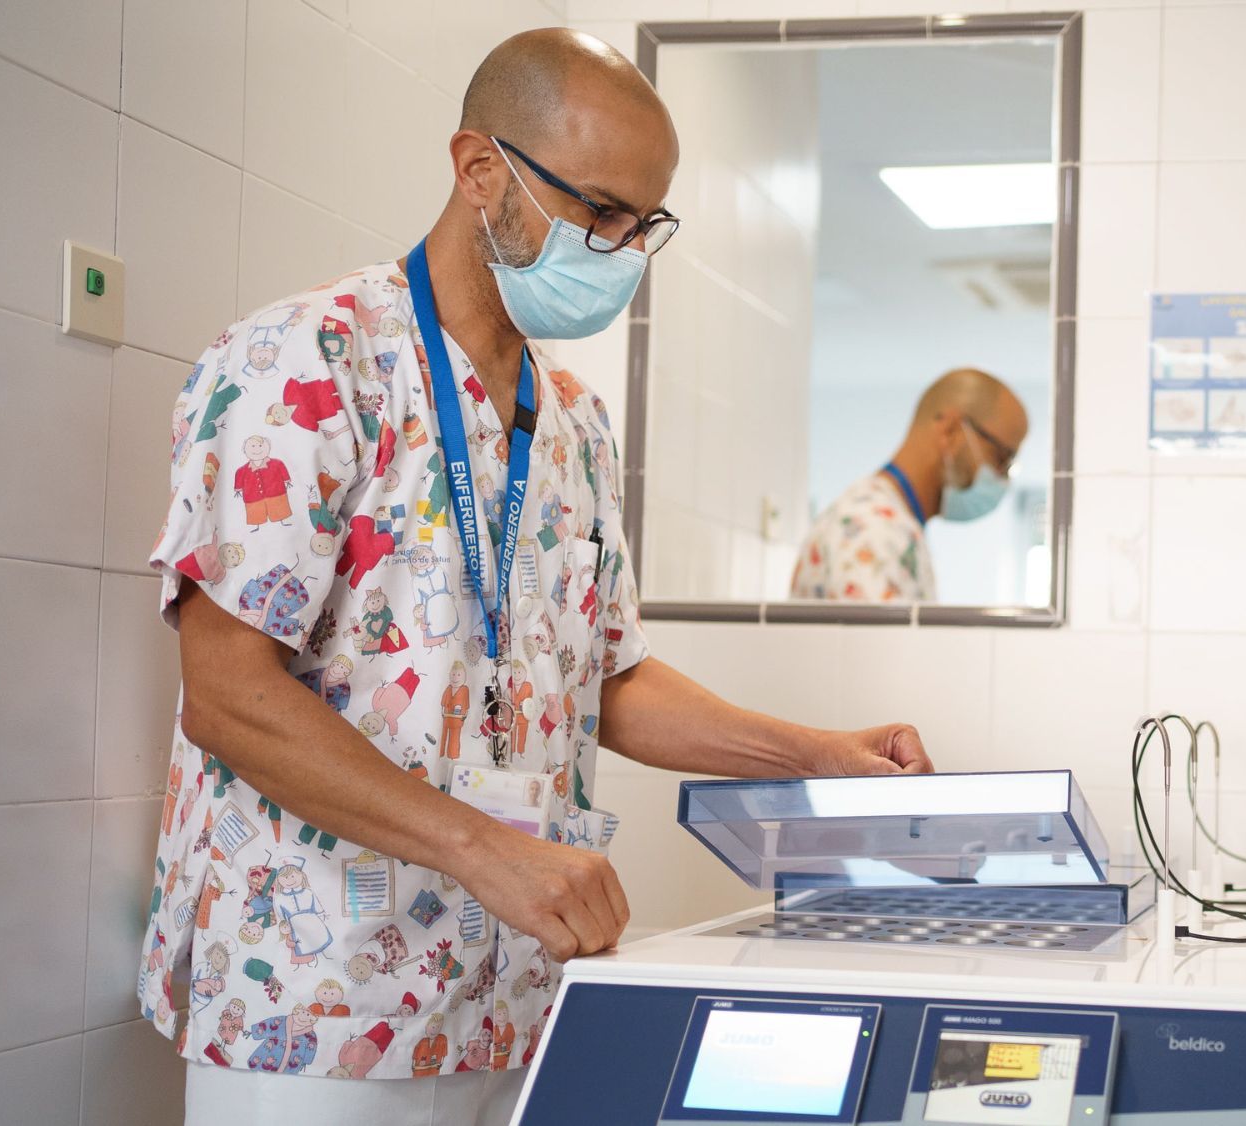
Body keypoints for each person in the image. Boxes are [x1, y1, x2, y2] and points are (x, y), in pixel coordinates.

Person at [143, 28, 932, 1125]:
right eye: (599, 212)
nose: (621, 251)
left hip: (516, 992)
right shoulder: (305, 365)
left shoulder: (574, 425)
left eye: (642, 225)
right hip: (313, 1006)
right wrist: (486, 851)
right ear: (480, 171)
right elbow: (228, 694)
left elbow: (607, 680)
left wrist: (814, 757)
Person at [789, 368, 1028, 602]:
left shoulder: (896, 526)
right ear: (951, 431)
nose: (1001, 478)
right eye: (1001, 458)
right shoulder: (871, 528)